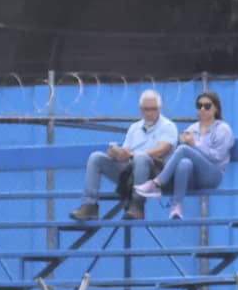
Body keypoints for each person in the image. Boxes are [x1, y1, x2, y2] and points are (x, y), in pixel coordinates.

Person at [69, 88, 175, 222]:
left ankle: (137, 205)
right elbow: (126, 152)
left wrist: (133, 154)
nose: (149, 113)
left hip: (155, 175)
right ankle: (90, 205)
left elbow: (162, 150)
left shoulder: (168, 126)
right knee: (96, 157)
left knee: (141, 158)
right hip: (130, 172)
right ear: (141, 109)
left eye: (153, 109)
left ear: (160, 108)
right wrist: (116, 154)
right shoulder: (134, 128)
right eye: (146, 109)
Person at [139, 89, 233, 220]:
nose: (202, 109)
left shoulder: (223, 129)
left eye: (207, 106)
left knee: (184, 150)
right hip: (193, 177)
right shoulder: (192, 128)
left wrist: (194, 144)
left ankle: (156, 183)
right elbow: (178, 153)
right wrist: (181, 141)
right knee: (184, 163)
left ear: (216, 108)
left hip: (213, 174)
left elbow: (217, 157)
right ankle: (176, 208)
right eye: (199, 106)